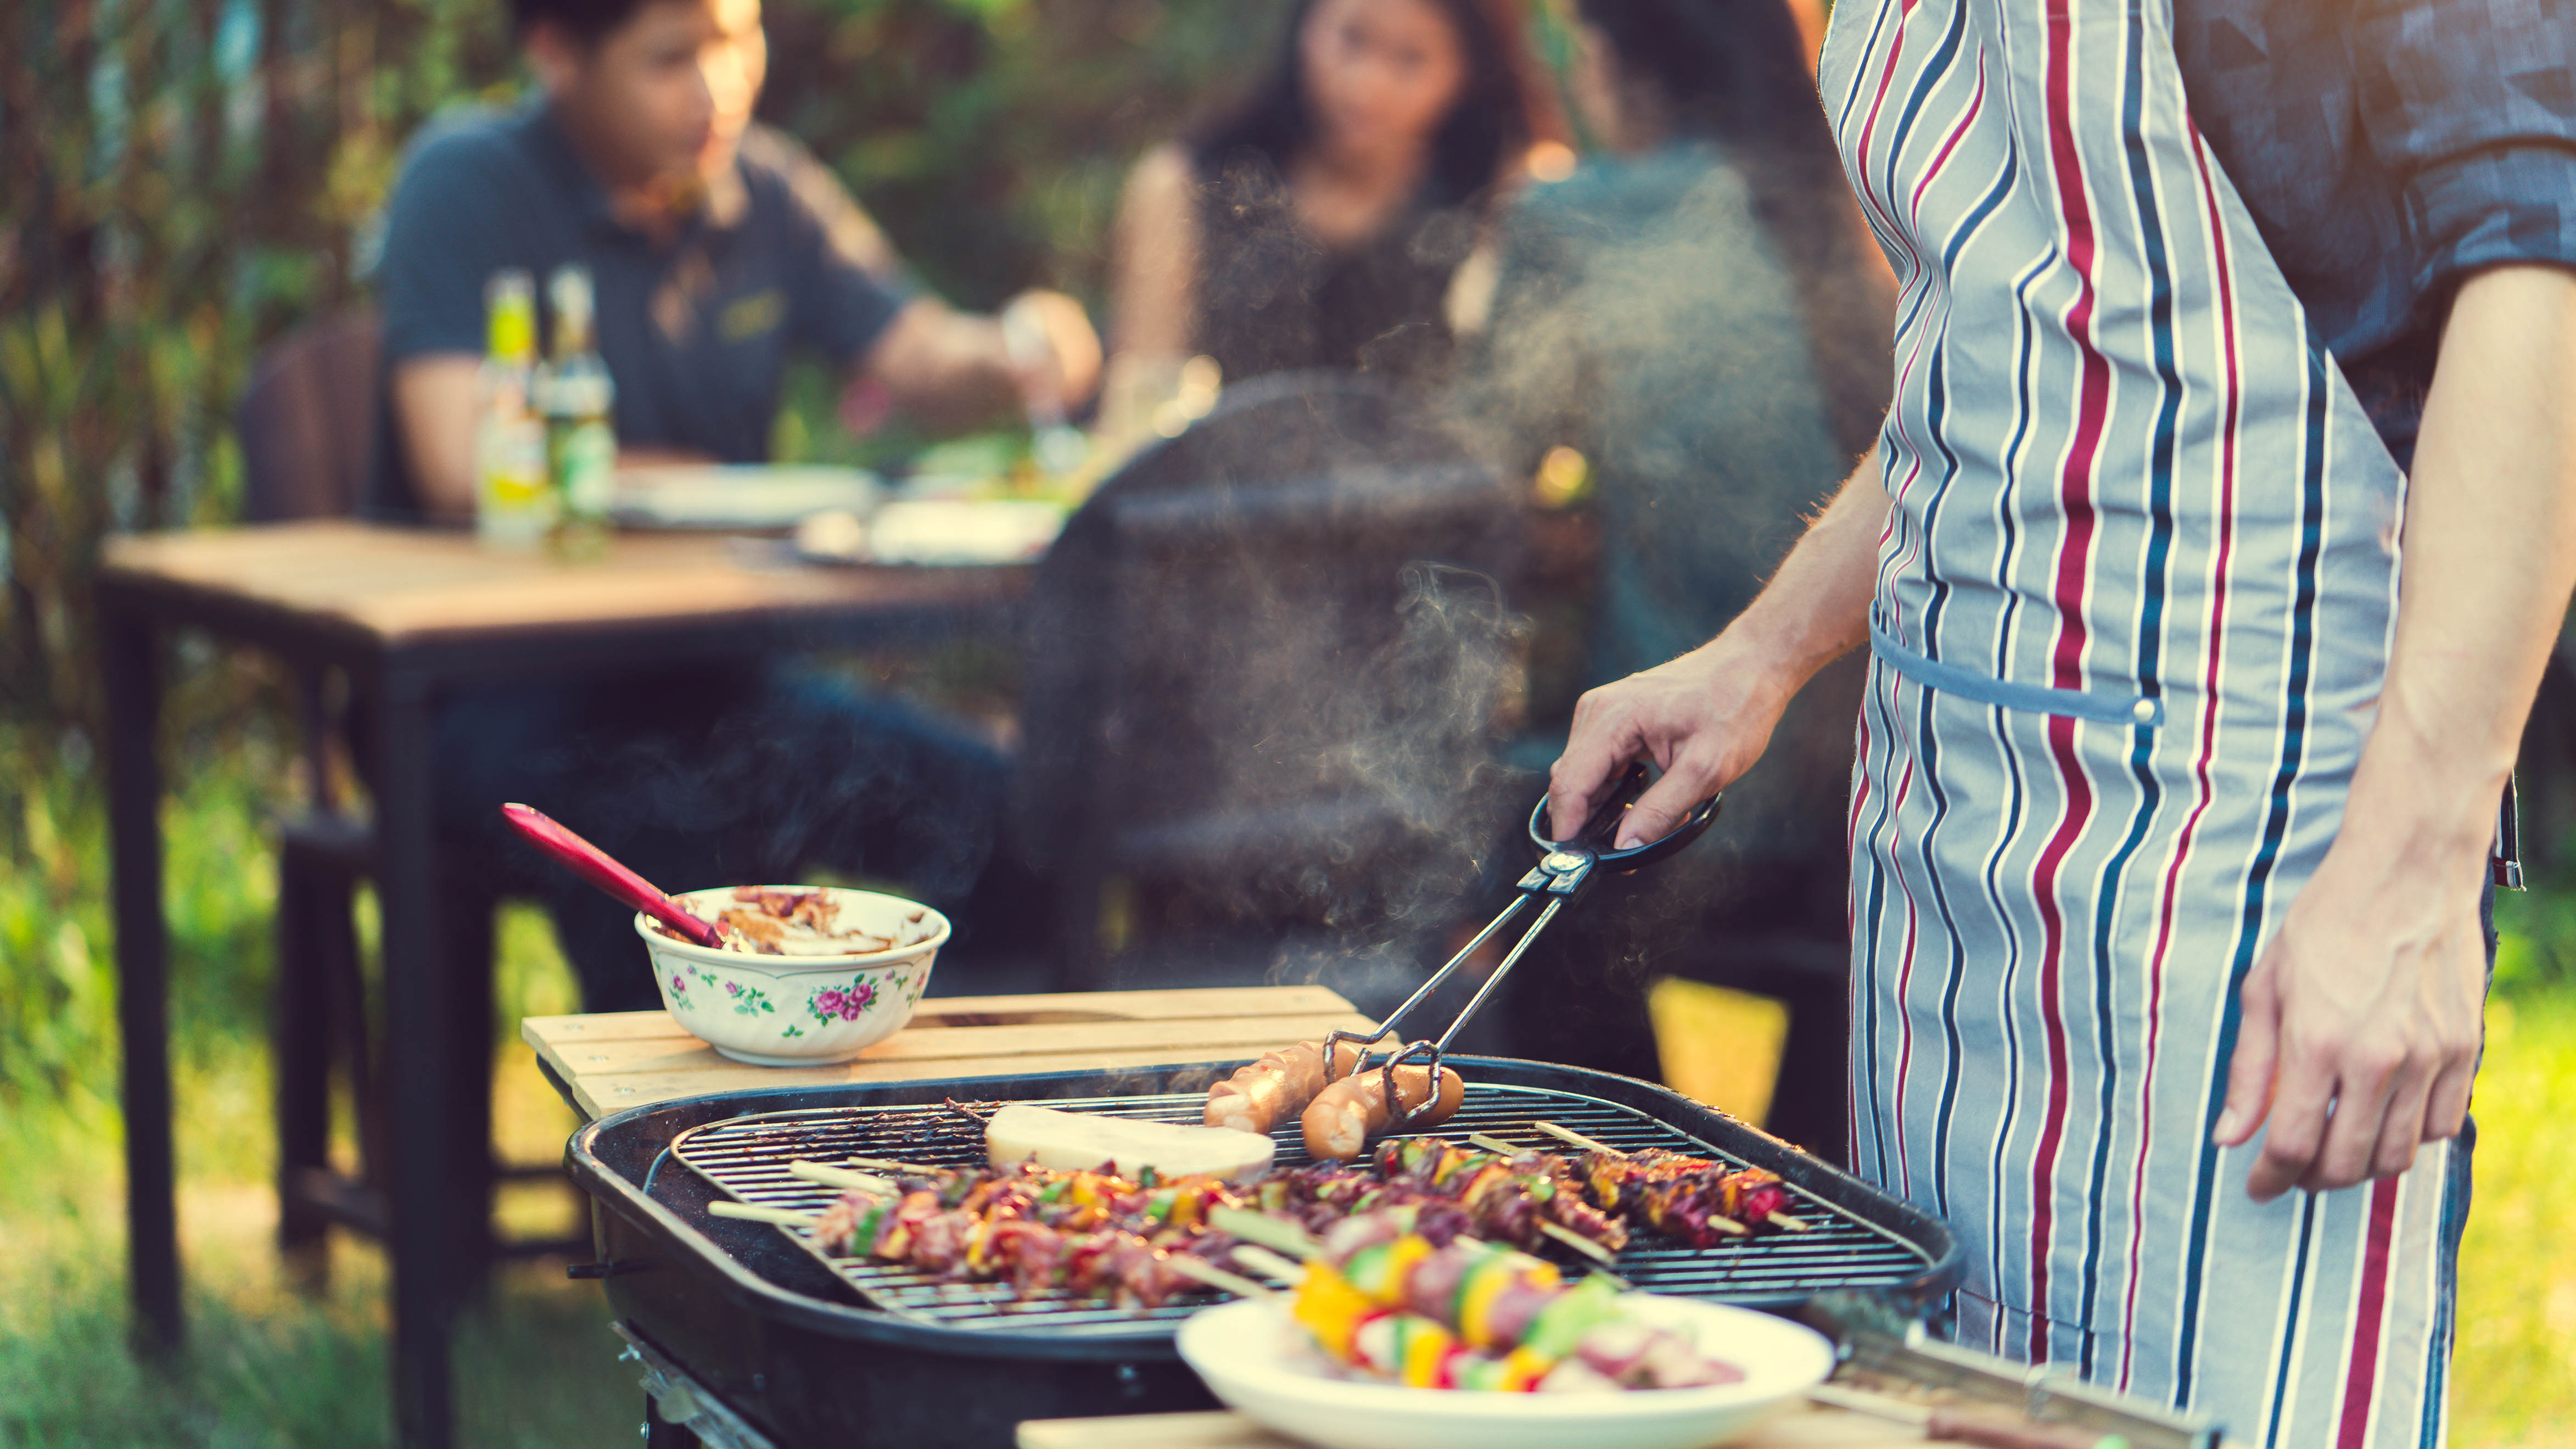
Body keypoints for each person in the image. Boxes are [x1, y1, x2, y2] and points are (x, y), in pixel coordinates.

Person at [1548, 0, 2574, 1439]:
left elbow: (2541, 273)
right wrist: (1761, 650)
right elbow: (2008, 341)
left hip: (2244, 837)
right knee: (1942, 1391)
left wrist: (2413, 865)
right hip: (1940, 822)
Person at [364, 0, 1097, 1009]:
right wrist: (689, 483)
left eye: (737, 39)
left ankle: (937, 1130)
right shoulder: (465, 182)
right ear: (556, 54)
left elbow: (920, 352)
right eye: (671, 57)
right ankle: (674, 1154)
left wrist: (1016, 346)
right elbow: (456, 459)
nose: (718, 87)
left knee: (1013, 820)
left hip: (715, 683)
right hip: (498, 692)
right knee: (673, 831)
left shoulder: (766, 188)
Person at [1452, 0, 1892, 1156]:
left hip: (1679, 822)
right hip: (1863, 818)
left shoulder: (1577, 215)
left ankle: (1594, 1174)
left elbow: (1485, 463)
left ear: (1612, 56)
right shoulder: (1857, 205)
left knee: (1501, 832)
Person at [1102, 0, 1564, 419]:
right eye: (1352, 38)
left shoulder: (1507, 192)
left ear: (1468, 72)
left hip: (1428, 504)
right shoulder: (1183, 184)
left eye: (1411, 59)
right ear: (1305, 23)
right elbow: (1142, 403)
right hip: (1219, 501)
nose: (1367, 85)